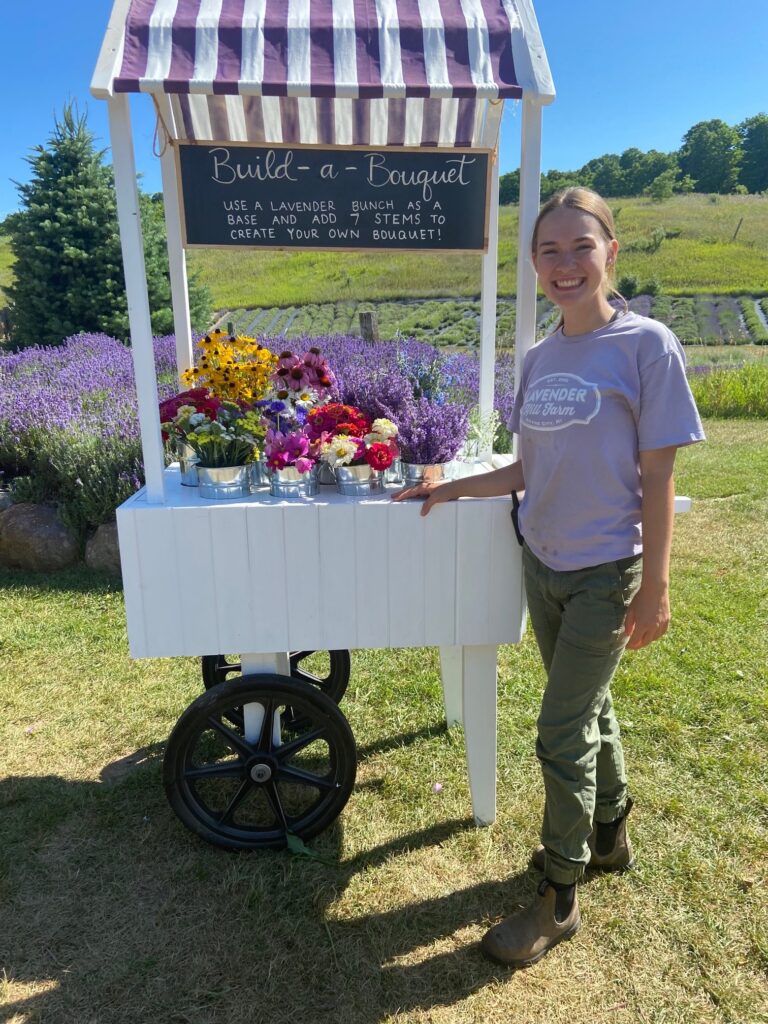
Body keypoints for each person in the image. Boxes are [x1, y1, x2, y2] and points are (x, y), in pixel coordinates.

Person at [392, 187, 705, 968]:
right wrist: (448, 487)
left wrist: (656, 586)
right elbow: (530, 467)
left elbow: (657, 478)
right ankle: (610, 833)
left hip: (606, 571)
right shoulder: (539, 357)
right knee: (587, 710)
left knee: (559, 731)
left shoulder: (647, 346)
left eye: (581, 247)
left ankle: (559, 897)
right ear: (534, 263)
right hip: (544, 563)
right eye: (549, 251)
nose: (565, 265)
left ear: (611, 253)